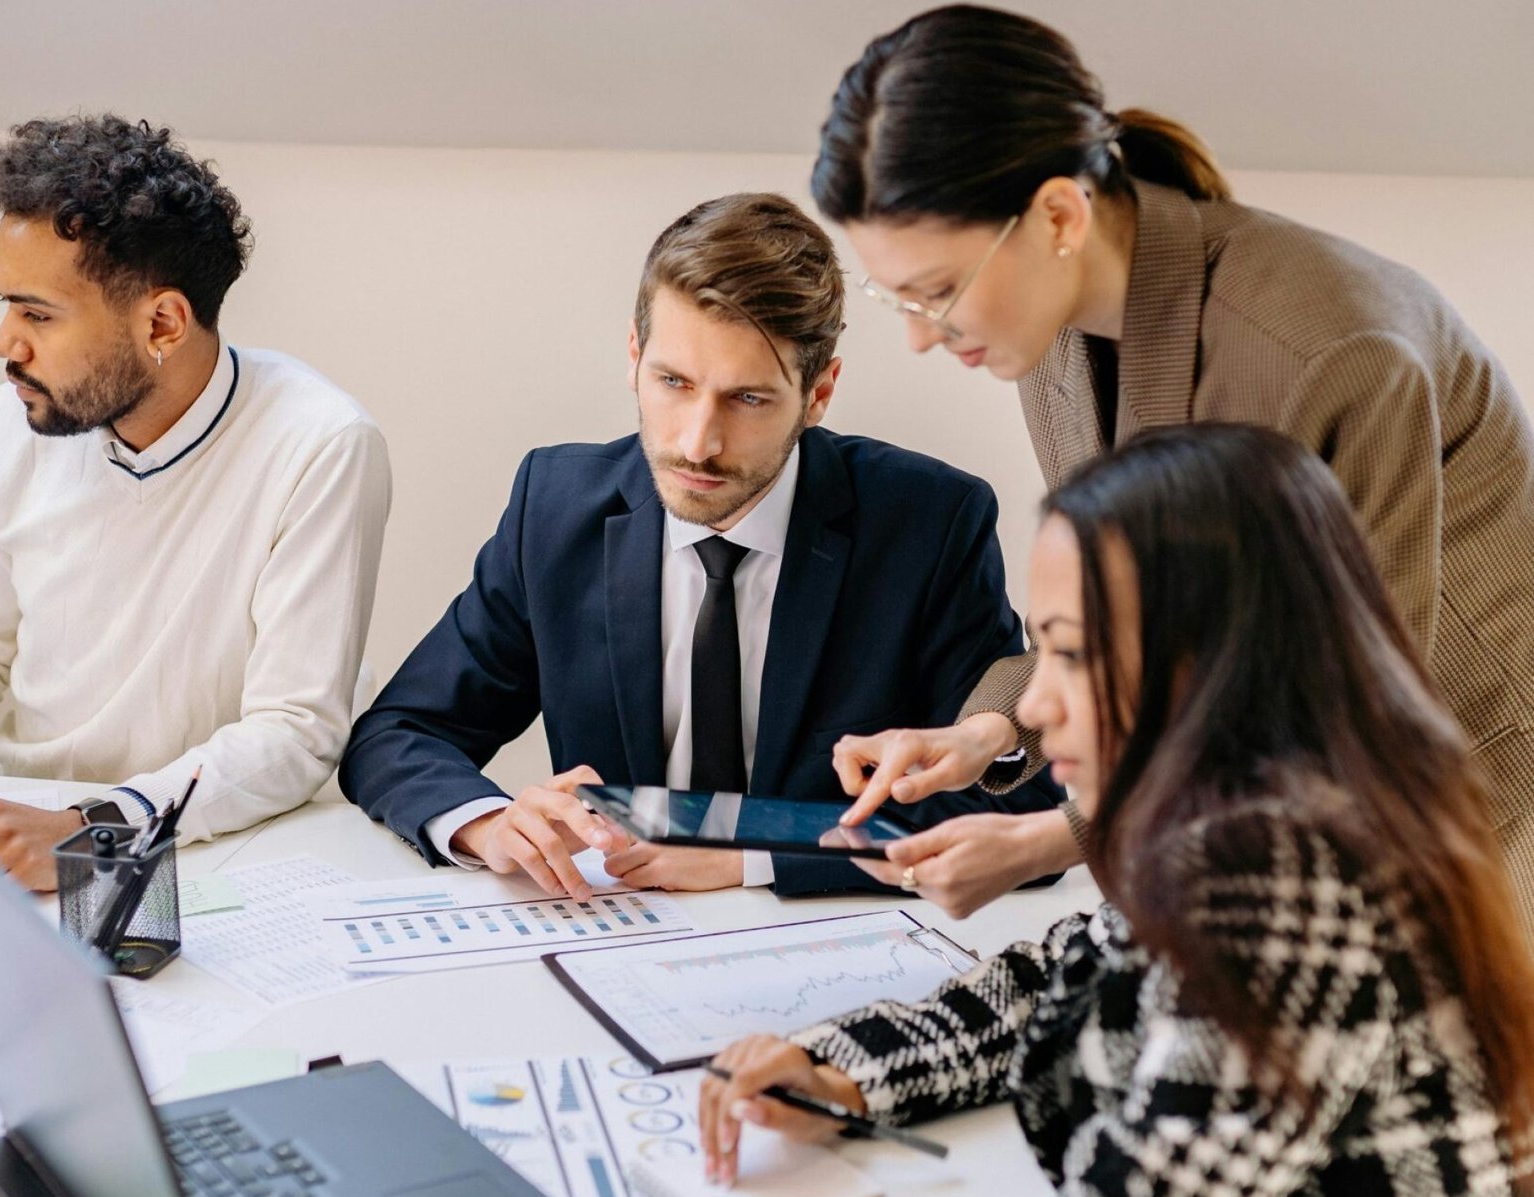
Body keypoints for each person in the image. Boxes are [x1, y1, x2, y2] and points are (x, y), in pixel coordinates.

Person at [379, 426, 1534, 1197]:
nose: (1029, 706)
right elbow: (1058, 972)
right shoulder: (1242, 813)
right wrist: (843, 1063)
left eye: (1073, 656)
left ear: (1211, 663)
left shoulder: (1285, 893)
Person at [806, 5, 1534, 930]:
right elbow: (1123, 619)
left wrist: (1049, 839)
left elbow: (1333, 710)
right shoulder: (1053, 342)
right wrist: (990, 733)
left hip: (1472, 797)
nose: (917, 338)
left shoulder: (1335, 351)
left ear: (1059, 214)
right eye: (896, 297)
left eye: (938, 292)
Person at [340, 192, 1059, 898]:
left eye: (748, 399)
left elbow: (1017, 807)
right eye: (673, 382)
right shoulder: (554, 509)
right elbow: (401, 732)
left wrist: (759, 857)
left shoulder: (929, 522)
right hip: (615, 941)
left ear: (820, 393)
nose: (697, 443)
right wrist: (490, 824)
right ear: (633, 354)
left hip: (839, 944)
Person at [0, 115, 391, 888]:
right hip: (32, 837)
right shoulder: (6, 422)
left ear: (162, 323)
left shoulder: (320, 441)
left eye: (36, 314)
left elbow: (293, 733)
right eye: (5, 305)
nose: (4, 343)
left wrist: (91, 831)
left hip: (225, 849)